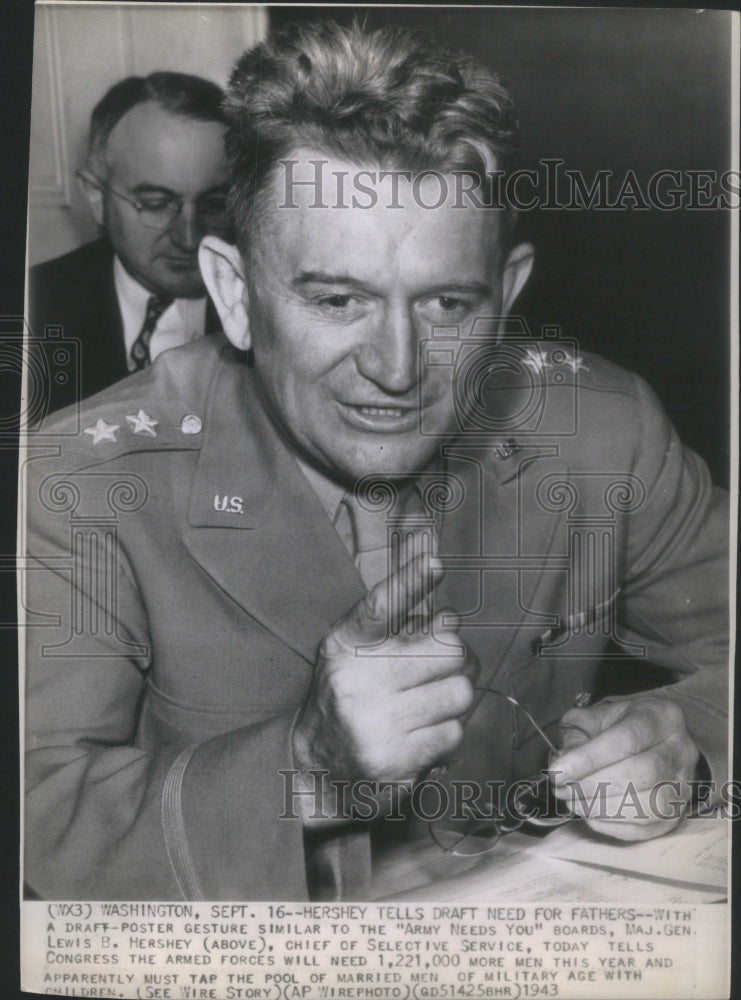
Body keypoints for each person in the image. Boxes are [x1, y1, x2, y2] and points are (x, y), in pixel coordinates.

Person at [24, 21, 728, 901]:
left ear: (505, 294)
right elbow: (34, 811)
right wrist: (308, 768)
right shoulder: (80, 482)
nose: (396, 368)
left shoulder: (601, 429)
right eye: (337, 299)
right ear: (235, 295)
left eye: (445, 301)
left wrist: (692, 735)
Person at [28, 71, 232, 416]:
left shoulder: (270, 307)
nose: (190, 238)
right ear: (96, 196)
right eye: (155, 203)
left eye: (215, 203)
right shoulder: (31, 306)